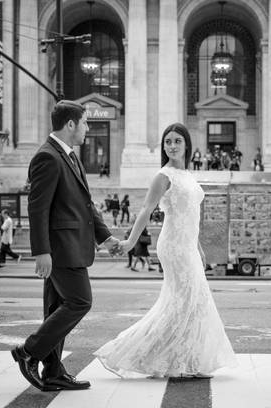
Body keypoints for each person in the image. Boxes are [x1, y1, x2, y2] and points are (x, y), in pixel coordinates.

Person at [95, 122, 237, 378]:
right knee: (184, 302)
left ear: (187, 145)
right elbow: (146, 211)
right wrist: (129, 243)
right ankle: (143, 354)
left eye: (177, 141)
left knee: (192, 303)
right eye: (168, 142)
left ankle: (189, 361)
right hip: (173, 246)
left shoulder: (188, 175)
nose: (171, 146)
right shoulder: (164, 176)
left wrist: (199, 248)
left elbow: (191, 216)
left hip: (188, 245)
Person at [11, 100, 121, 393]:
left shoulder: (69, 156)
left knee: (57, 308)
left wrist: (106, 238)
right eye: (85, 123)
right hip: (61, 248)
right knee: (80, 301)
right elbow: (37, 208)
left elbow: (84, 206)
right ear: (70, 124)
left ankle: (53, 372)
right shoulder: (47, 157)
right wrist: (42, 251)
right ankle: (28, 352)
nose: (88, 128)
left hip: (71, 244)